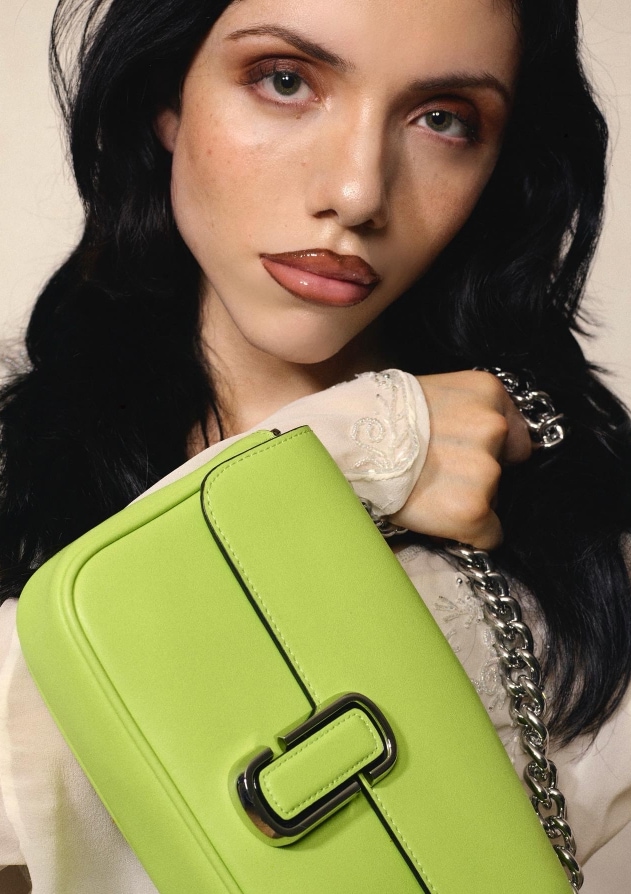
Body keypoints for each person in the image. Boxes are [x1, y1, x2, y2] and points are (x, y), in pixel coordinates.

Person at [1, 0, 630, 890]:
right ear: (165, 99)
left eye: (442, 119)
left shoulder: (580, 540)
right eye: (285, 80)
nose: (358, 191)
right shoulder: (19, 463)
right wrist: (337, 456)